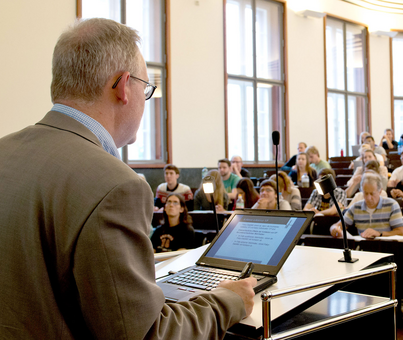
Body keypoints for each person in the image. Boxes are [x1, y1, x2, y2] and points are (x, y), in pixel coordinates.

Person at [0, 18, 255, 339]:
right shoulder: (114, 184)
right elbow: (146, 334)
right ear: (123, 86)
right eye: (146, 89)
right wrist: (228, 300)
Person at [330, 172, 403, 238]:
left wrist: (379, 234)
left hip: (386, 248)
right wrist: (334, 228)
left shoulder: (392, 205)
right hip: (363, 249)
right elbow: (338, 225)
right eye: (365, 193)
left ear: (380, 191)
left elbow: (400, 232)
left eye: (372, 194)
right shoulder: (356, 207)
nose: (369, 198)